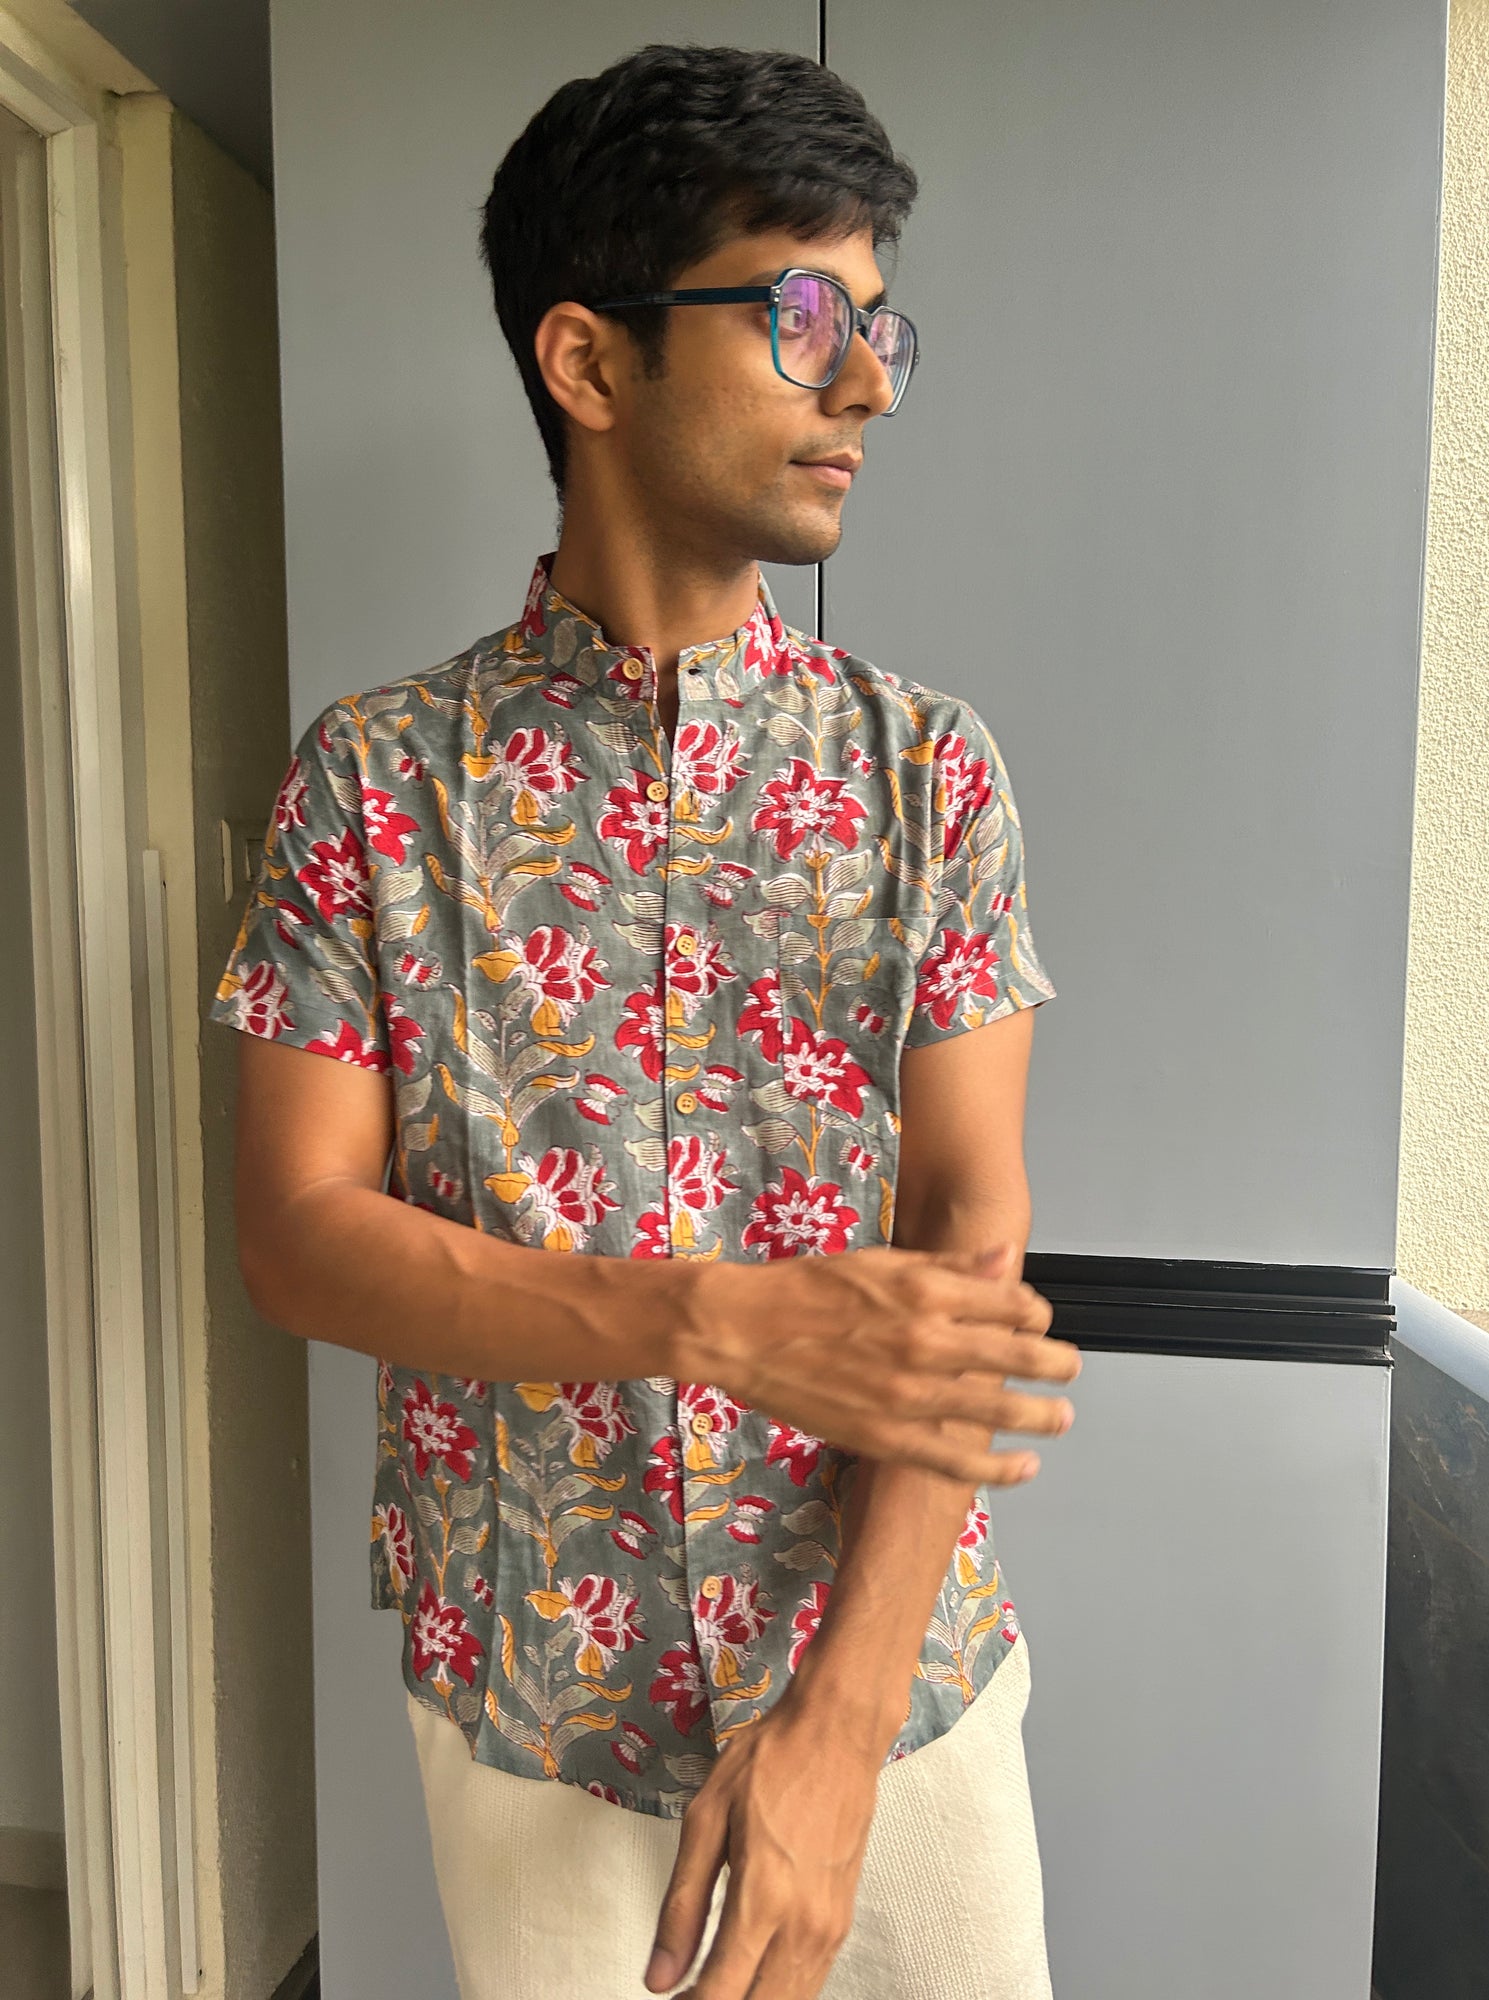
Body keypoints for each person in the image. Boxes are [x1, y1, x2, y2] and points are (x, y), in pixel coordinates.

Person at [210, 40, 1081, 2000]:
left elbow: (972, 1231)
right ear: (590, 362)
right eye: (801, 320)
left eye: (878, 328)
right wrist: (704, 1318)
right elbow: (297, 1233)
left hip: (898, 1689)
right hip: (536, 1705)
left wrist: (841, 1730)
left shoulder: (928, 773)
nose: (867, 385)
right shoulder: (372, 781)